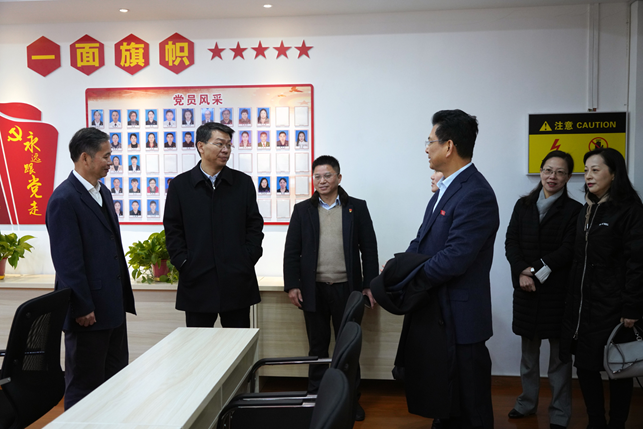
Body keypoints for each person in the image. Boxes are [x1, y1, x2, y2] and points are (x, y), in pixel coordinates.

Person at [402, 109, 499, 429]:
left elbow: (455, 257)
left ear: (449, 146)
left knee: (472, 407)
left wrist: (411, 279)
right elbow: (422, 241)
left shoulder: (476, 193)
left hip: (461, 320)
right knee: (447, 402)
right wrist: (399, 268)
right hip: (439, 314)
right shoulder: (446, 188)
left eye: (430, 141)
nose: (426, 148)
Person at [45, 127, 135, 409]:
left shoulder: (103, 192)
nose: (111, 162)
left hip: (112, 308)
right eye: (106, 156)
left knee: (115, 380)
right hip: (88, 313)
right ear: (85, 157)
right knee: (84, 386)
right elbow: (68, 261)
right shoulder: (64, 199)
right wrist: (83, 306)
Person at [284, 155, 378, 421]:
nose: (322, 181)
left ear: (338, 177)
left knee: (347, 348)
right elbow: (292, 251)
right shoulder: (303, 210)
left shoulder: (356, 208)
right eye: (317, 176)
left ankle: (349, 400)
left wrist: (369, 285)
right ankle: (316, 398)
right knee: (317, 346)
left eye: (327, 175)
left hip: (347, 290)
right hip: (313, 289)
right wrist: (292, 285)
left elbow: (369, 249)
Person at [560, 148, 643, 429]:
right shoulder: (586, 208)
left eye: (596, 170)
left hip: (614, 306)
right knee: (585, 366)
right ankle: (595, 421)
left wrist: (632, 306)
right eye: (586, 170)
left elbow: (637, 262)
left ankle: (617, 423)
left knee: (619, 367)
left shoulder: (630, 210)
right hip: (583, 305)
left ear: (614, 173)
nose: (589, 176)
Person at [505, 151, 581, 429]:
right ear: (540, 171)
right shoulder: (523, 205)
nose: (553, 177)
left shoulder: (574, 210)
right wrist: (521, 271)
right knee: (528, 355)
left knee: (560, 359)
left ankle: (559, 414)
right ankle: (526, 403)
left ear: (568, 177)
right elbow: (511, 241)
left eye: (560, 172)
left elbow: (569, 249)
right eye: (548, 170)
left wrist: (533, 271)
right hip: (526, 291)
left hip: (558, 293)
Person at [164, 122, 264, 329]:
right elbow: (173, 229)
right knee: (198, 343)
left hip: (236, 279)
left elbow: (254, 224)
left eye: (228, 145)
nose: (225, 150)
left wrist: (248, 257)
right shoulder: (180, 186)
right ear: (201, 146)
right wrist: (183, 261)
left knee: (238, 343)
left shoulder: (242, 183)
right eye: (219, 144)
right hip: (197, 279)